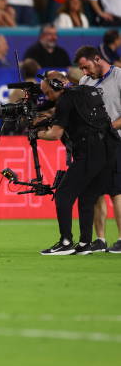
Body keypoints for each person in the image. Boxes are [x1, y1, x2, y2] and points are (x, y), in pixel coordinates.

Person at [35, 71, 119, 255]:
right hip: (110, 150)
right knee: (87, 197)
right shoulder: (86, 92)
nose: (47, 97)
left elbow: (55, 134)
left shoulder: (65, 101)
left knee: (63, 195)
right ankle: (84, 244)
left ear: (57, 86)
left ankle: (65, 242)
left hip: (90, 152)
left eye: (48, 92)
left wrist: (37, 134)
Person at [75, 46, 121, 253]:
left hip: (116, 141)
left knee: (117, 192)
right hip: (93, 145)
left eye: (86, 67)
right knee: (95, 193)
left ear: (97, 59)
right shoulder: (85, 82)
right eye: (82, 69)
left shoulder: (119, 77)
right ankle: (100, 239)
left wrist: (107, 127)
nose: (85, 73)